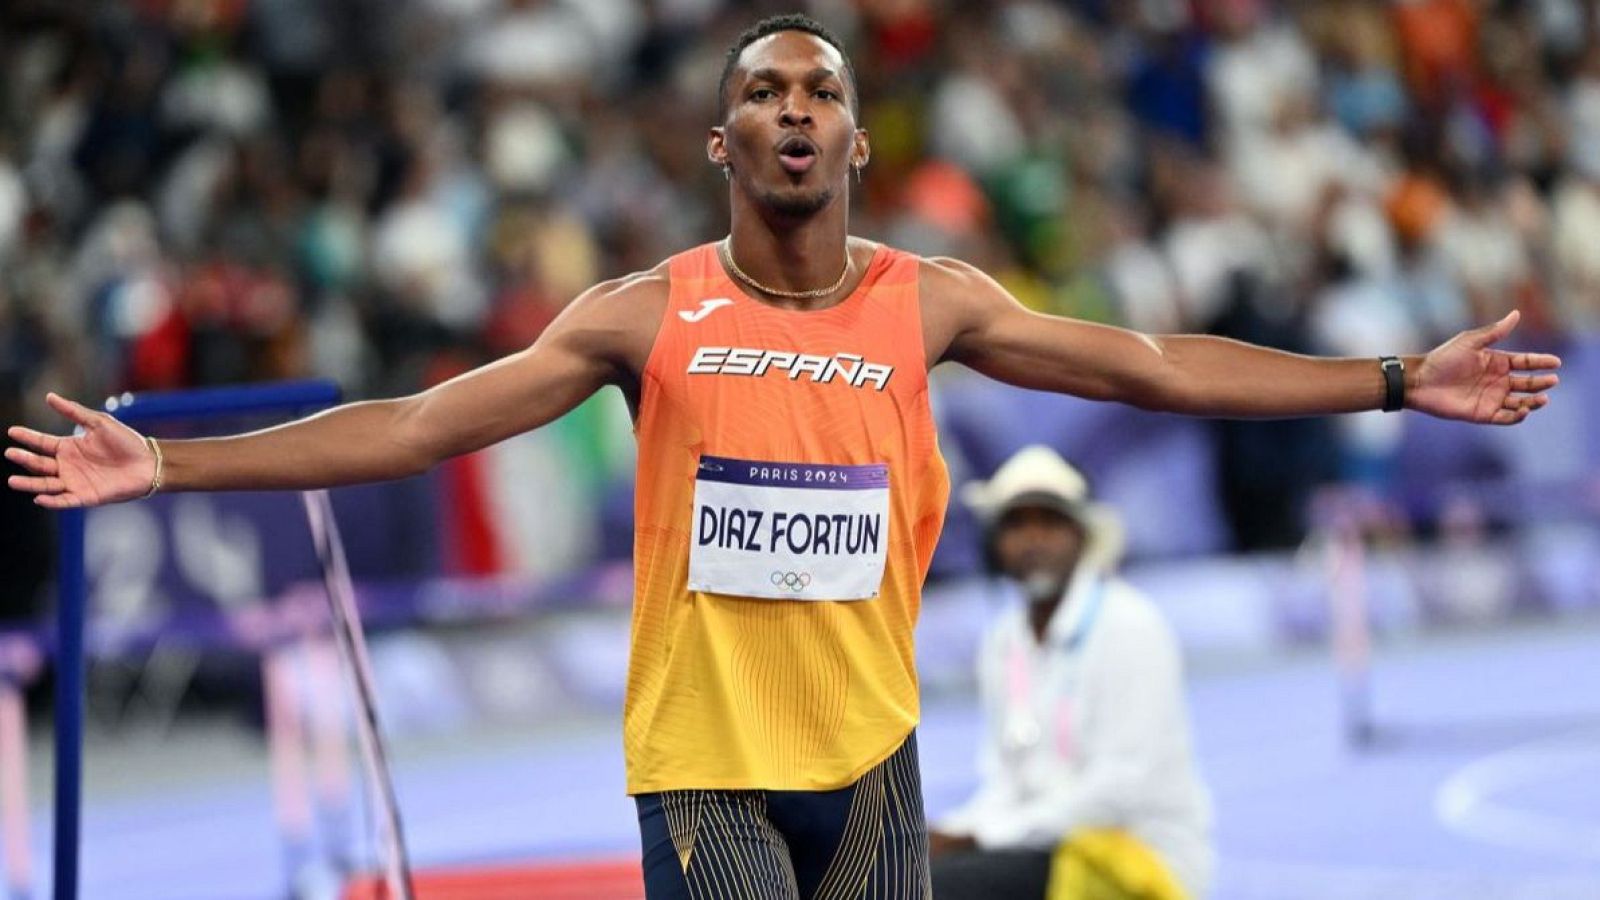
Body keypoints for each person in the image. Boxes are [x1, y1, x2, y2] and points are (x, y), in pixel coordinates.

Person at [4, 14, 1562, 900]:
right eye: (764, 91)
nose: (797, 110)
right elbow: (415, 428)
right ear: (722, 142)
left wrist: (1388, 379)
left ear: (860, 145)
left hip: (874, 759)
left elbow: (1151, 366)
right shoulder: (641, 314)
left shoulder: (931, 299)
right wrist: (175, 470)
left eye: (824, 90)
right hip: (707, 776)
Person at [929, 446, 1210, 900]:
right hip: (1047, 847)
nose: (1033, 539)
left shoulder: (1129, 625)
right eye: (1017, 524)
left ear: (1081, 535)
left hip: (1132, 859)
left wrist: (983, 837)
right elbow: (1007, 783)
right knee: (903, 872)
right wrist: (954, 830)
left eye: (1051, 522)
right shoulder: (1004, 642)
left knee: (940, 889)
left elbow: (1117, 793)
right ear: (995, 544)